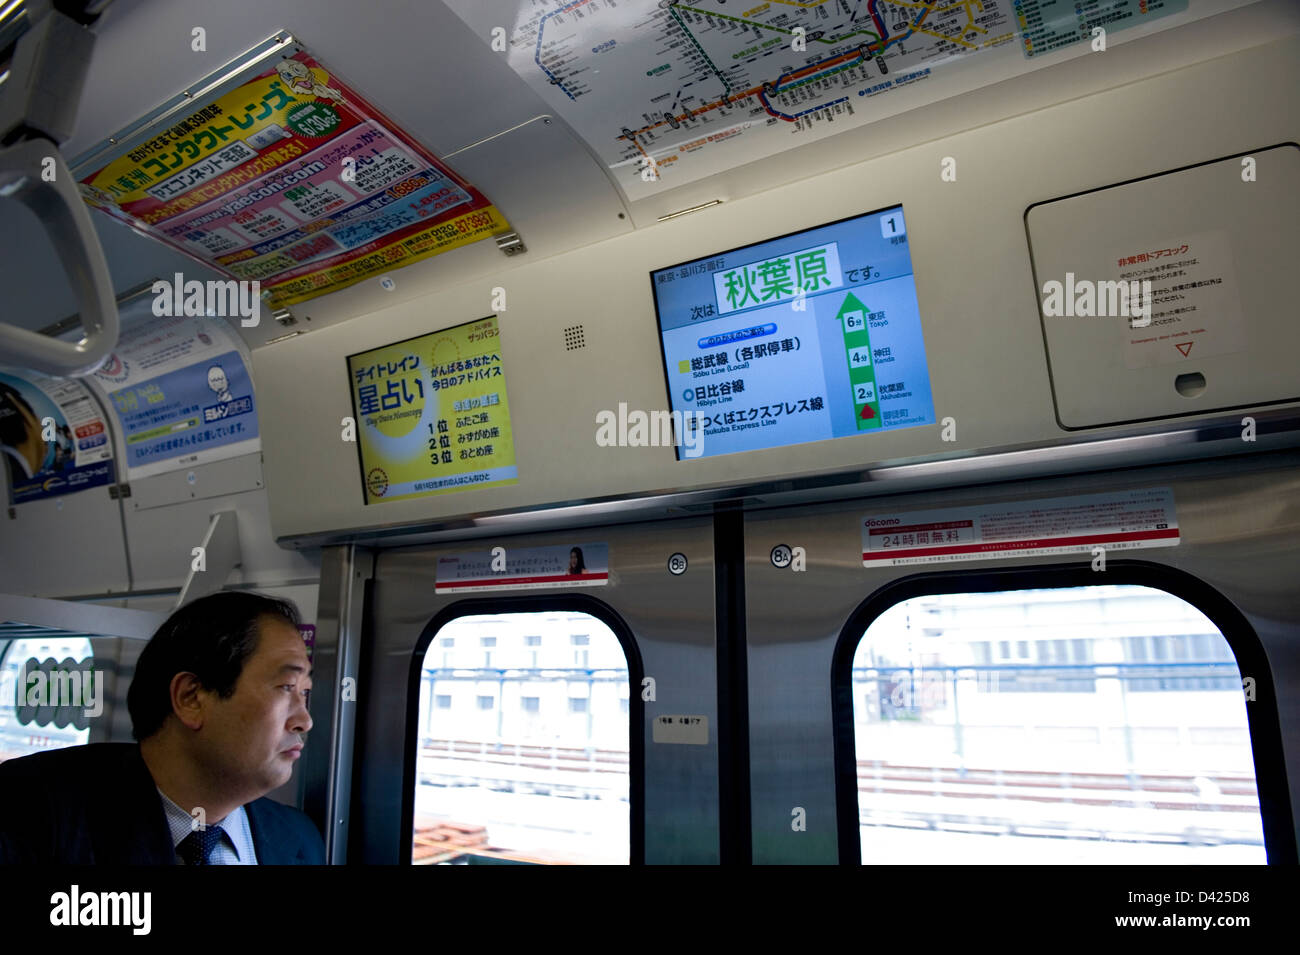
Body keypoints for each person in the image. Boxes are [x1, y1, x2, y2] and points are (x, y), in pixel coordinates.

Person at [0, 592, 325, 864]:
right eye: (285, 687)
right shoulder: (28, 811)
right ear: (192, 698)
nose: (304, 720)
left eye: (305, 694)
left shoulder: (298, 838)